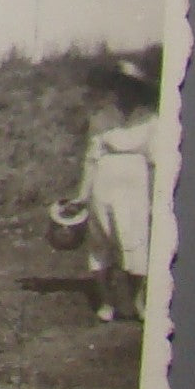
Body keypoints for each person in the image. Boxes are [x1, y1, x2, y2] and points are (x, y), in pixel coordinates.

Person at [61, 56, 160, 322]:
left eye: (130, 86)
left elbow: (155, 162)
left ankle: (137, 301)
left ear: (138, 89)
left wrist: (156, 197)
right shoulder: (102, 118)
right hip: (104, 185)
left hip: (136, 188)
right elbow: (92, 159)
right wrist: (83, 195)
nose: (124, 91)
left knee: (135, 242)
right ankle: (106, 302)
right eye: (119, 86)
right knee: (101, 241)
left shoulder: (150, 120)